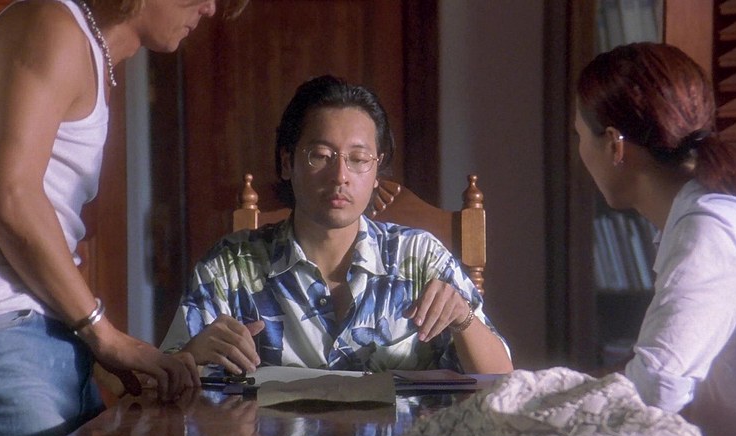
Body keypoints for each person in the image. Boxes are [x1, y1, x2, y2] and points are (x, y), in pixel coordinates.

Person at [0, 0, 247, 436]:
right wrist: (106, 336)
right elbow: (9, 197)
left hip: (37, 333)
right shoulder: (53, 26)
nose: (211, 8)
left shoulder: (89, 53)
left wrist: (99, 353)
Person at [161, 75, 513, 375]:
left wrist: (463, 318)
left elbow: (502, 381)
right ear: (287, 162)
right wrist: (192, 354)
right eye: (321, 156)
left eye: (358, 159)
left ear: (376, 171)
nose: (340, 176)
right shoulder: (231, 266)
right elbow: (161, 384)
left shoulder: (420, 257)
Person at [575, 42, 736, 436]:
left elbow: (657, 389)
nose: (580, 152)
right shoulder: (704, 217)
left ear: (614, 145)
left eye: (579, 136)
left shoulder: (709, 230)